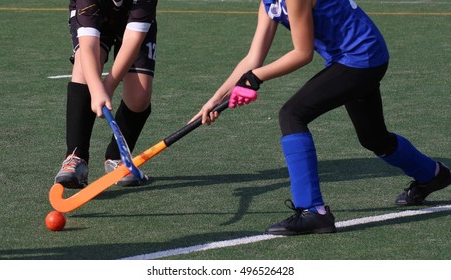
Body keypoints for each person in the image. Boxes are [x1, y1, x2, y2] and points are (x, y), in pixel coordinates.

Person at [190, 0, 451, 236]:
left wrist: (256, 78)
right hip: (350, 59)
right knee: (373, 138)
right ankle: (433, 175)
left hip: (361, 58)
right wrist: (215, 99)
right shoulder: (268, 2)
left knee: (292, 114)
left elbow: (302, 54)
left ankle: (314, 212)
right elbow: (252, 58)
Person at [54, 0, 158, 188]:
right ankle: (76, 157)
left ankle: (117, 158)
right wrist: (96, 88)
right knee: (83, 70)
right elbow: (88, 46)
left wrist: (108, 86)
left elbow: (133, 40)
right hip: (95, 19)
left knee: (139, 97)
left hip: (133, 25)